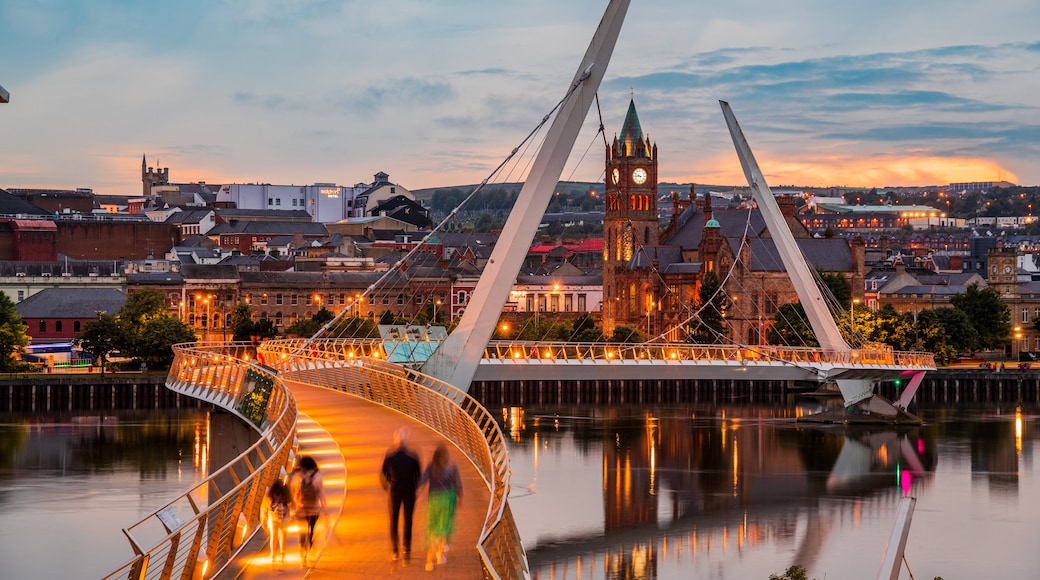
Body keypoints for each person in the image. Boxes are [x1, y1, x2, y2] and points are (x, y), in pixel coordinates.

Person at [380, 427, 422, 565]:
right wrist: (415, 487)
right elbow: (418, 475)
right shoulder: (413, 457)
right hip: (409, 491)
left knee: (394, 520)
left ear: (395, 441)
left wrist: (387, 486)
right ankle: (406, 551)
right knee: (408, 520)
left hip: (394, 491)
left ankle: (394, 550)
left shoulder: (389, 457)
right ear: (406, 442)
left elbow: (383, 474)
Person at [420, 444, 463, 572]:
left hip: (433, 501)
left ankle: (429, 562)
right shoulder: (452, 466)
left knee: (432, 530)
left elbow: (422, 480)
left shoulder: (431, 466)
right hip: (447, 501)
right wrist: (460, 496)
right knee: (443, 528)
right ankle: (440, 555)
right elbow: (458, 483)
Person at [290, 456, 326, 567]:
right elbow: (320, 493)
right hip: (314, 509)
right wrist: (324, 508)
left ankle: (302, 559)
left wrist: (292, 508)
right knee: (312, 532)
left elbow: (294, 494)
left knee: (302, 534)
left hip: (301, 509)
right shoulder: (318, 476)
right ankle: (311, 553)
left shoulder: (297, 477)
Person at [261, 479, 291, 568]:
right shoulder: (286, 494)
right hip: (284, 517)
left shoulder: (270, 495)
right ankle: (282, 554)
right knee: (283, 536)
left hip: (273, 517)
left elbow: (264, 507)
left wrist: (264, 519)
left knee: (273, 537)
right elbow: (290, 504)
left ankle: (273, 555)